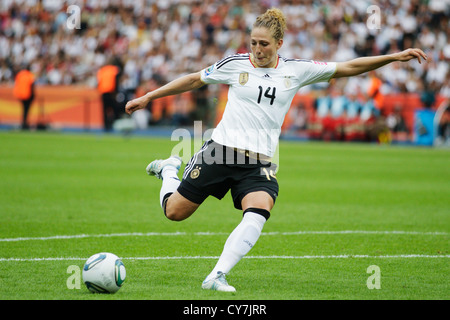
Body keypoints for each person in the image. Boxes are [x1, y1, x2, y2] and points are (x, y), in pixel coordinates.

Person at [125, 8, 427, 292]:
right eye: (253, 43)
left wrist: (395, 57)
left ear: (279, 43)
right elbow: (193, 79)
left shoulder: (297, 71)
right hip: (220, 152)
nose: (257, 49)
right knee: (174, 213)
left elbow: (348, 67)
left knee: (259, 210)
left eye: (264, 44)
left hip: (259, 163)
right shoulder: (235, 64)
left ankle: (217, 275)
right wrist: (149, 96)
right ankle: (168, 169)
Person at [97, 62, 120, 131]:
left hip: (104, 92)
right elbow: (116, 81)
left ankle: (106, 126)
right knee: (113, 109)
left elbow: (99, 81)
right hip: (111, 92)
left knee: (105, 110)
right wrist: (116, 92)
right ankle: (113, 124)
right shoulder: (113, 69)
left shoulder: (102, 70)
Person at [13, 66, 35, 130]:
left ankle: (23, 122)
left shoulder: (20, 74)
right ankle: (24, 123)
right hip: (27, 94)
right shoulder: (30, 75)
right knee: (26, 109)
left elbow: (16, 83)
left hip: (20, 95)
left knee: (24, 109)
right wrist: (33, 95)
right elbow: (32, 85)